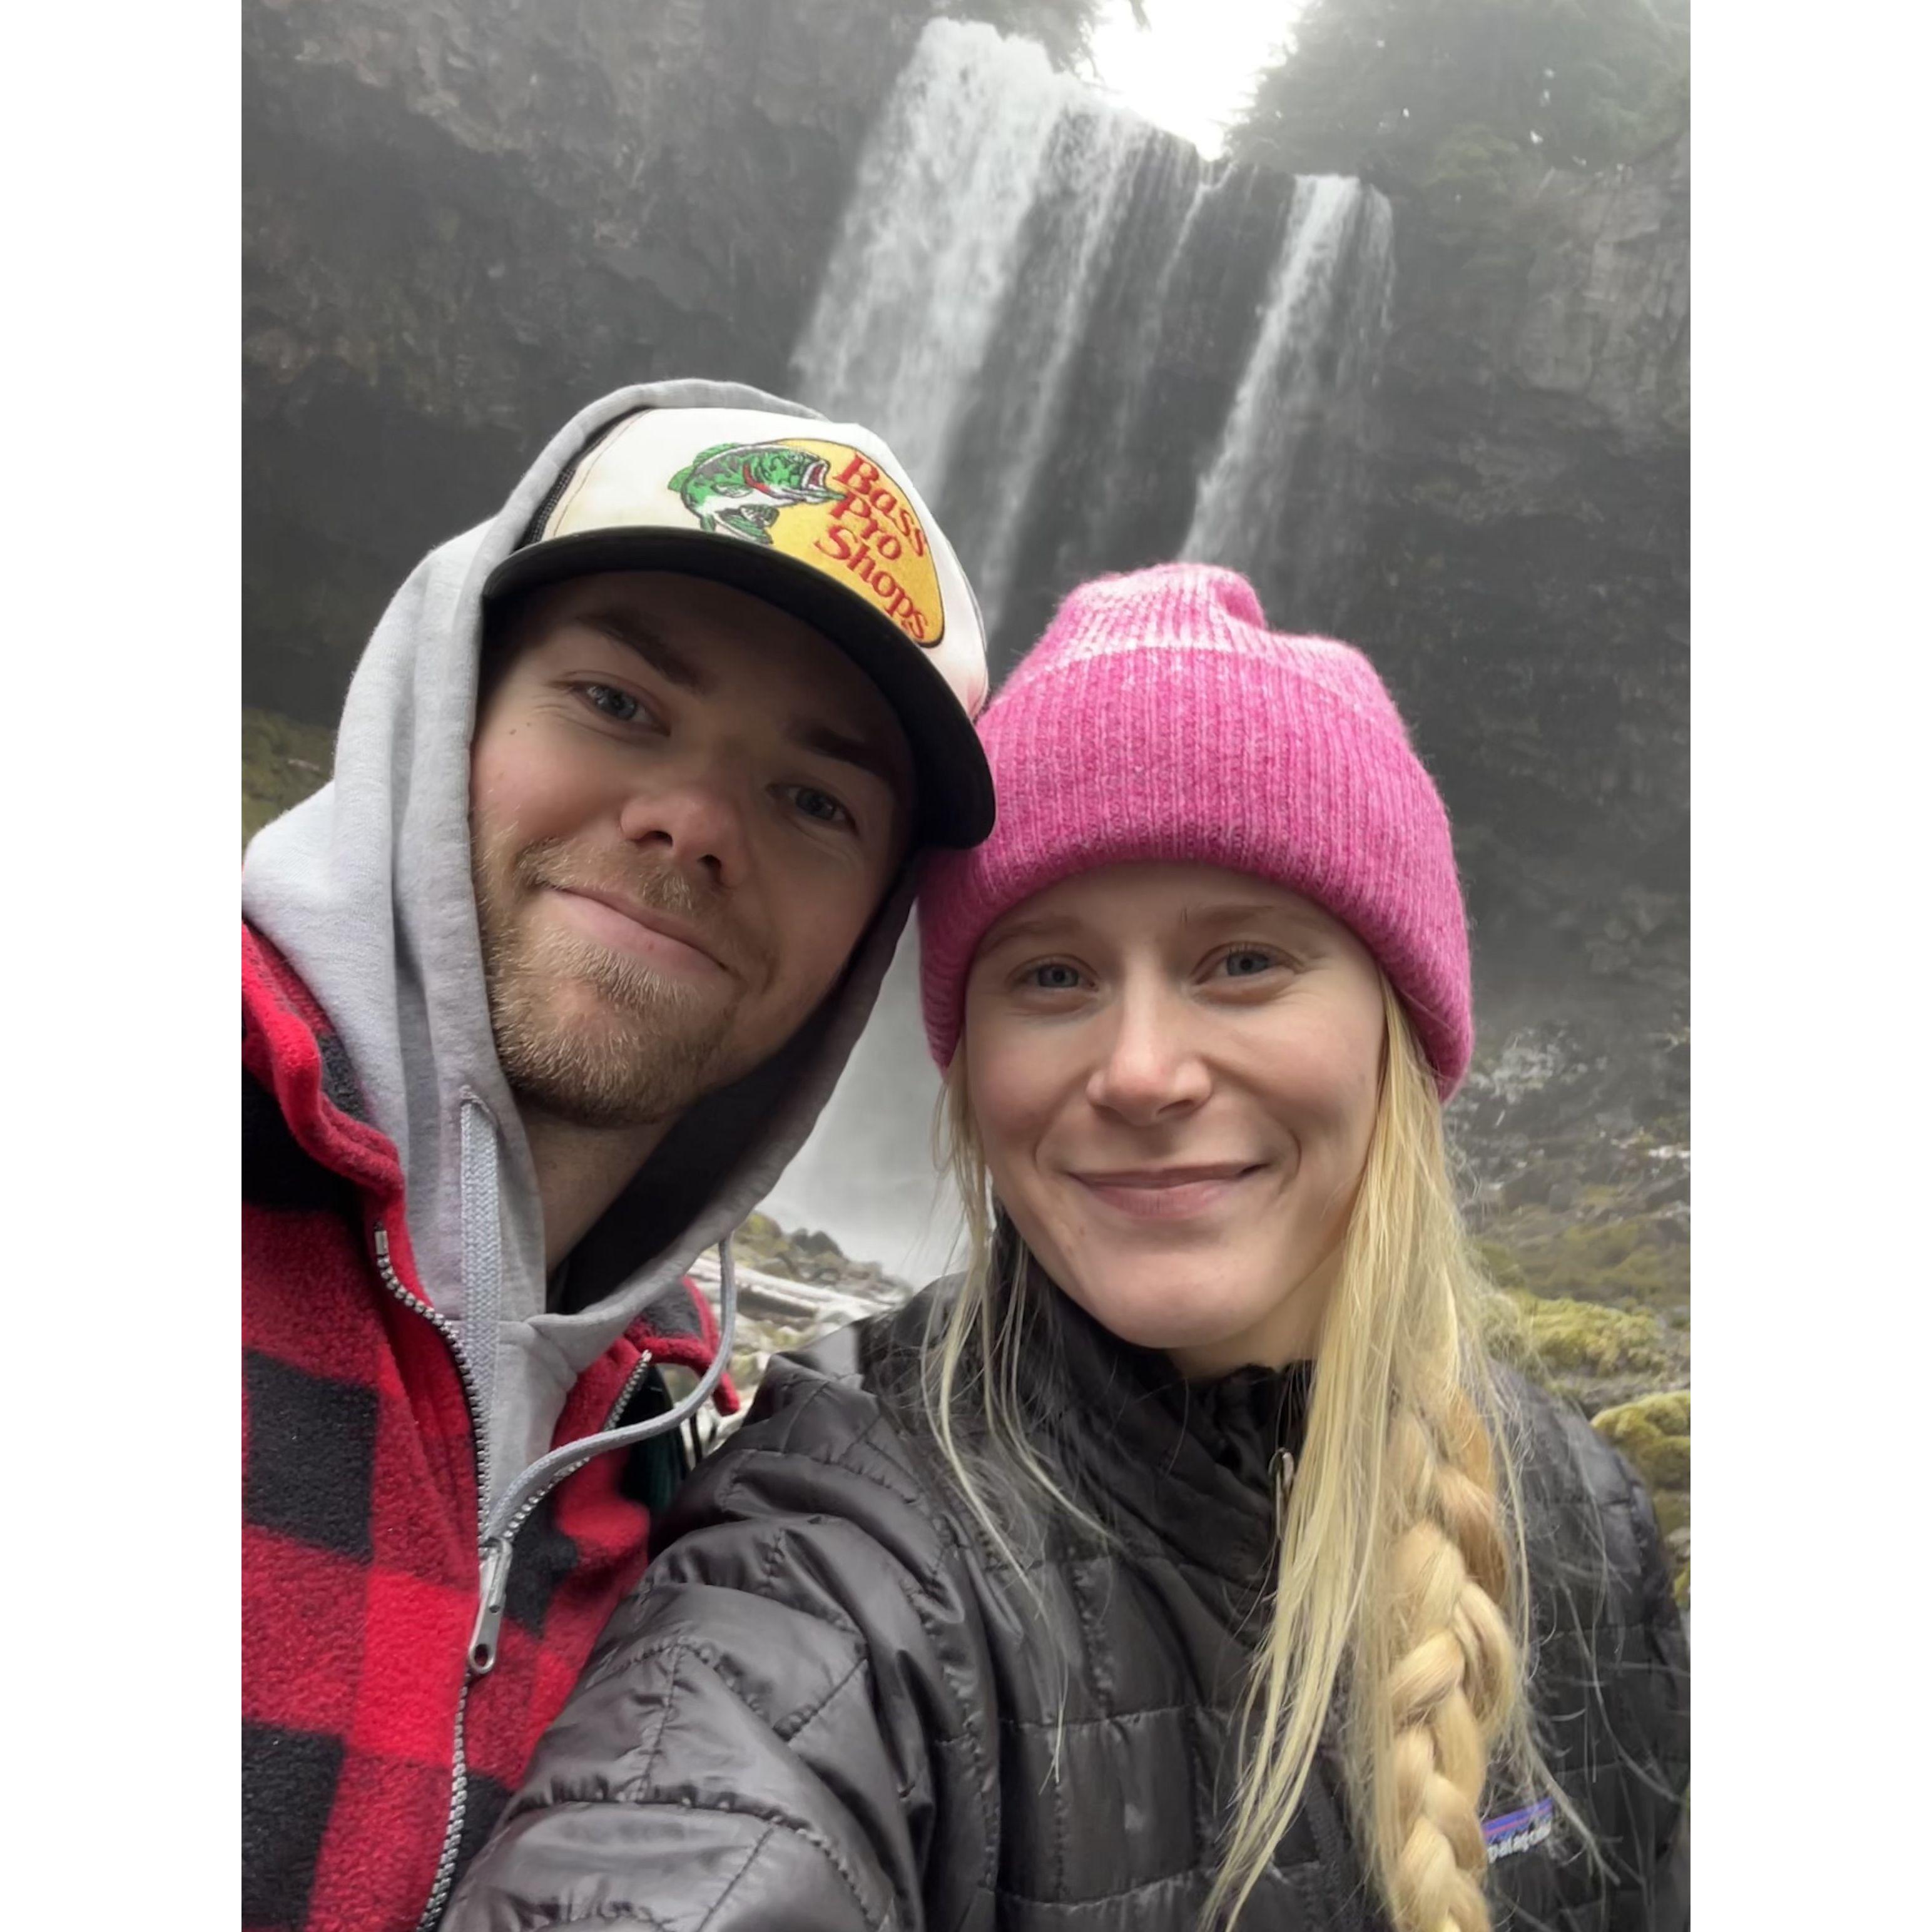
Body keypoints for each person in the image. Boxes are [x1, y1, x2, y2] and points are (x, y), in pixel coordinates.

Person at [442, 563, 1690, 1932]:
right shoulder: (835, 1538)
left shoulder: (1577, 1515)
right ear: (971, 1067)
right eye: (1051, 976)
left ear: (1399, 1030)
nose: (1142, 1069)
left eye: (1241, 962)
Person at [241, 377, 994, 1932]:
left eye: (811, 796)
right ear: (447, 697)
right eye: (618, 703)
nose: (694, 821)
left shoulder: (692, 1468)